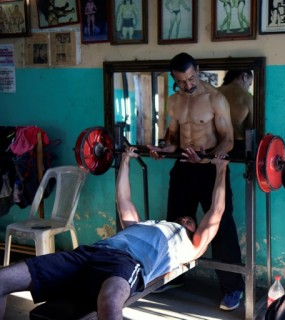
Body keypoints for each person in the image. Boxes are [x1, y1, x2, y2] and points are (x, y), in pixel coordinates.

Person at [0, 146, 230, 320]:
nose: (183, 218)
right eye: (181, 218)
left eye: (189, 221)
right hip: (90, 251)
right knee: (3, 278)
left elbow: (216, 210)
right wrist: (125, 161)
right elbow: (124, 200)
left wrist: (221, 169)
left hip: (127, 263)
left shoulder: (192, 247)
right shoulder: (143, 225)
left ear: (194, 231)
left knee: (109, 302)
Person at [147, 52, 245, 311]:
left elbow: (228, 139)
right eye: (181, 81)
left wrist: (210, 159)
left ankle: (232, 288)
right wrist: (163, 149)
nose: (188, 85)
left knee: (221, 227)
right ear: (174, 80)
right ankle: (173, 276)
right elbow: (172, 137)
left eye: (191, 78)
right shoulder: (173, 101)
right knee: (174, 223)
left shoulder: (215, 99)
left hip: (210, 169)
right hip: (183, 167)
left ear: (198, 70)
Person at [217, 70, 253, 159]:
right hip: (237, 147)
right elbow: (250, 131)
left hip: (213, 144)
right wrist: (249, 154)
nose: (249, 87)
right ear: (245, 76)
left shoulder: (214, 92)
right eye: (250, 83)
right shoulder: (248, 98)